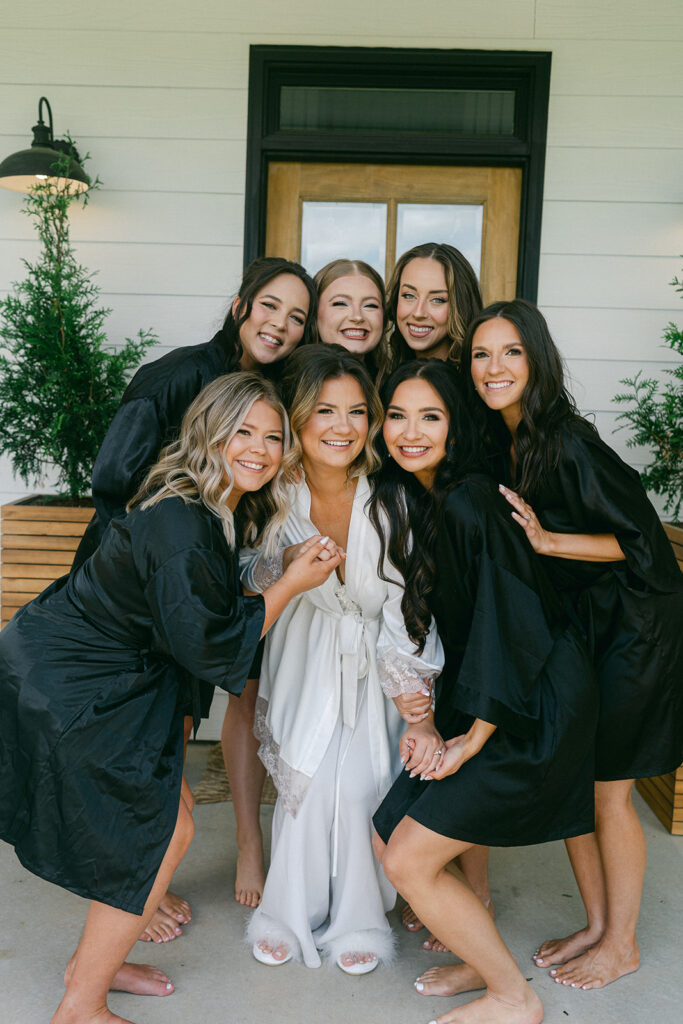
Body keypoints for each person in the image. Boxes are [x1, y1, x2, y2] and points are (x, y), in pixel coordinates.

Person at [0, 372, 342, 1024]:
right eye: (243, 431)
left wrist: (273, 567)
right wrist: (292, 583)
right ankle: (79, 1006)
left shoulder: (204, 499)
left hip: (89, 666)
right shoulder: (179, 520)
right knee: (159, 831)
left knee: (168, 817)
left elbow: (198, 597)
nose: (260, 449)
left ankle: (94, 962)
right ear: (208, 432)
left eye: (273, 437)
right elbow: (209, 644)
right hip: (74, 679)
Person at [72, 255, 316, 930]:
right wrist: (164, 577)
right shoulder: (177, 374)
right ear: (241, 305)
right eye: (271, 306)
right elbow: (116, 485)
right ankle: (131, 891)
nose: (281, 324)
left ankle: (146, 879)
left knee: (172, 733)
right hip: (138, 591)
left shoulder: (265, 394)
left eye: (296, 316)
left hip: (199, 584)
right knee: (139, 747)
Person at [460, 298, 683, 992]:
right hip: (590, 627)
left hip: (634, 629)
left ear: (536, 360)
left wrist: (550, 541)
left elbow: (643, 543)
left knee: (608, 793)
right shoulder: (512, 435)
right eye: (480, 354)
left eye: (509, 353)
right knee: (580, 782)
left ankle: (621, 944)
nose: (493, 367)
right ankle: (595, 923)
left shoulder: (565, 439)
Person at [369, 359, 598, 1024]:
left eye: (430, 416)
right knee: (390, 834)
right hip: (490, 698)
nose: (410, 431)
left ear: (455, 426)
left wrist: (475, 735)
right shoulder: (425, 497)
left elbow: (511, 623)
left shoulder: (470, 500)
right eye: (397, 415)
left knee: (409, 859)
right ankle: (478, 954)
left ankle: (512, 996)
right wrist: (426, 714)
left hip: (532, 708)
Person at [243, 346, 444, 973]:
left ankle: (360, 917)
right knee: (304, 785)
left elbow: (405, 601)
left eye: (358, 412)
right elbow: (245, 572)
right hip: (304, 651)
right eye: (325, 410)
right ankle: (286, 911)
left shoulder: (391, 501)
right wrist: (288, 568)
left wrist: (410, 694)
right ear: (298, 417)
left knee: (358, 787)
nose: (343, 426)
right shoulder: (275, 491)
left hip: (375, 661)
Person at [384, 242, 482, 378]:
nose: (418, 313)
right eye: (409, 296)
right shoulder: (386, 378)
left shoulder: (477, 383)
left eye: (437, 300)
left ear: (461, 307)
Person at [314, 258, 390, 377]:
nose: (357, 317)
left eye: (370, 305)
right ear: (314, 312)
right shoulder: (284, 389)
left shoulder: (397, 389)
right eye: (340, 303)